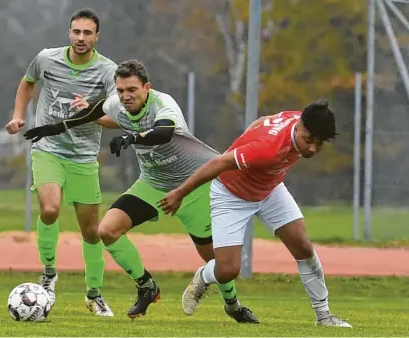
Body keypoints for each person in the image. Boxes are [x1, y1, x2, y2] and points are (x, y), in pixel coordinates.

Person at [23, 60, 259, 323]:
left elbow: (164, 133)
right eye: (121, 90)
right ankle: (147, 286)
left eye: (132, 90)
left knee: (216, 261)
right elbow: (93, 111)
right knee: (107, 230)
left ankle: (233, 304)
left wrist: (132, 137)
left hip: (191, 185)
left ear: (147, 87)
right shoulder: (117, 103)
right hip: (153, 184)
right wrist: (56, 127)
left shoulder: (162, 104)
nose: (125, 96)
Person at [158, 100, 353, 328]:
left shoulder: (300, 118)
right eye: (308, 140)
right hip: (231, 194)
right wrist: (179, 193)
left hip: (270, 189)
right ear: (298, 127)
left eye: (319, 144)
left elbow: (262, 121)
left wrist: (250, 140)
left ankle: (324, 316)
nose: (312, 148)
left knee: (303, 247)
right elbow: (219, 162)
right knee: (228, 270)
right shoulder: (268, 149)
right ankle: (203, 276)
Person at [5, 8, 117, 317]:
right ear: (69, 33)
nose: (81, 38)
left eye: (87, 33)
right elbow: (28, 82)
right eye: (76, 32)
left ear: (97, 36)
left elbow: (117, 117)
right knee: (50, 209)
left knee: (91, 230)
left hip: (83, 157)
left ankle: (94, 294)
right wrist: (18, 115)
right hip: (48, 149)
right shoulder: (46, 58)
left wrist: (92, 110)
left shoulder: (109, 71)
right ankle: (49, 274)